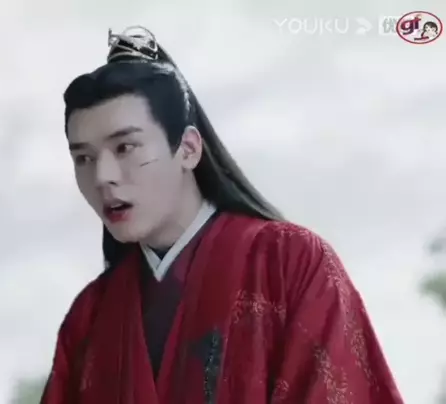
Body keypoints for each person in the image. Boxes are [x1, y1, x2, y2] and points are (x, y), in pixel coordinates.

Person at [40, 26, 403, 404]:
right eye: (84, 158)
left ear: (188, 148)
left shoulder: (290, 263)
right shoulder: (89, 317)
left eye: (125, 147)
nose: (102, 176)